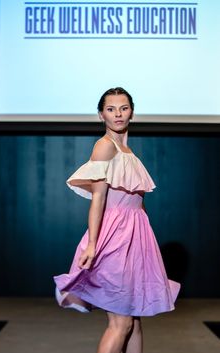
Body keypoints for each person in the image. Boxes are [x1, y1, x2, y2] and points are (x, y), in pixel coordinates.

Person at [54, 87, 180, 353]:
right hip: (115, 237)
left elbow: (137, 203)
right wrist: (92, 245)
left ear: (131, 112)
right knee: (121, 321)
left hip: (136, 237)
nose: (118, 114)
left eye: (123, 108)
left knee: (133, 318)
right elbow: (98, 199)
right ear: (101, 115)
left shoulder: (127, 151)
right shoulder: (104, 146)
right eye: (111, 109)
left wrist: (144, 240)